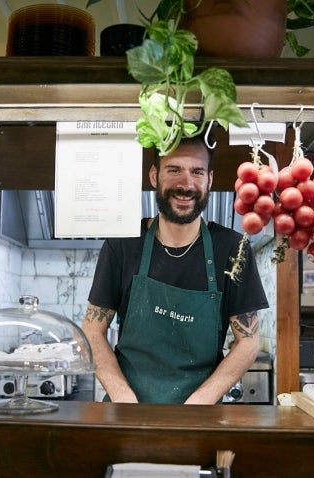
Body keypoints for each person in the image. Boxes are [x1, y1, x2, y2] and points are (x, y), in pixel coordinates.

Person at [82, 135, 269, 404]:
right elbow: (92, 331)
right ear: (154, 175)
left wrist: (201, 401)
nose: (186, 184)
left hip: (199, 415)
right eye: (174, 170)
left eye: (197, 172)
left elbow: (248, 341)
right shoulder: (122, 245)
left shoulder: (232, 249)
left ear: (210, 180)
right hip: (128, 412)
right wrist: (122, 396)